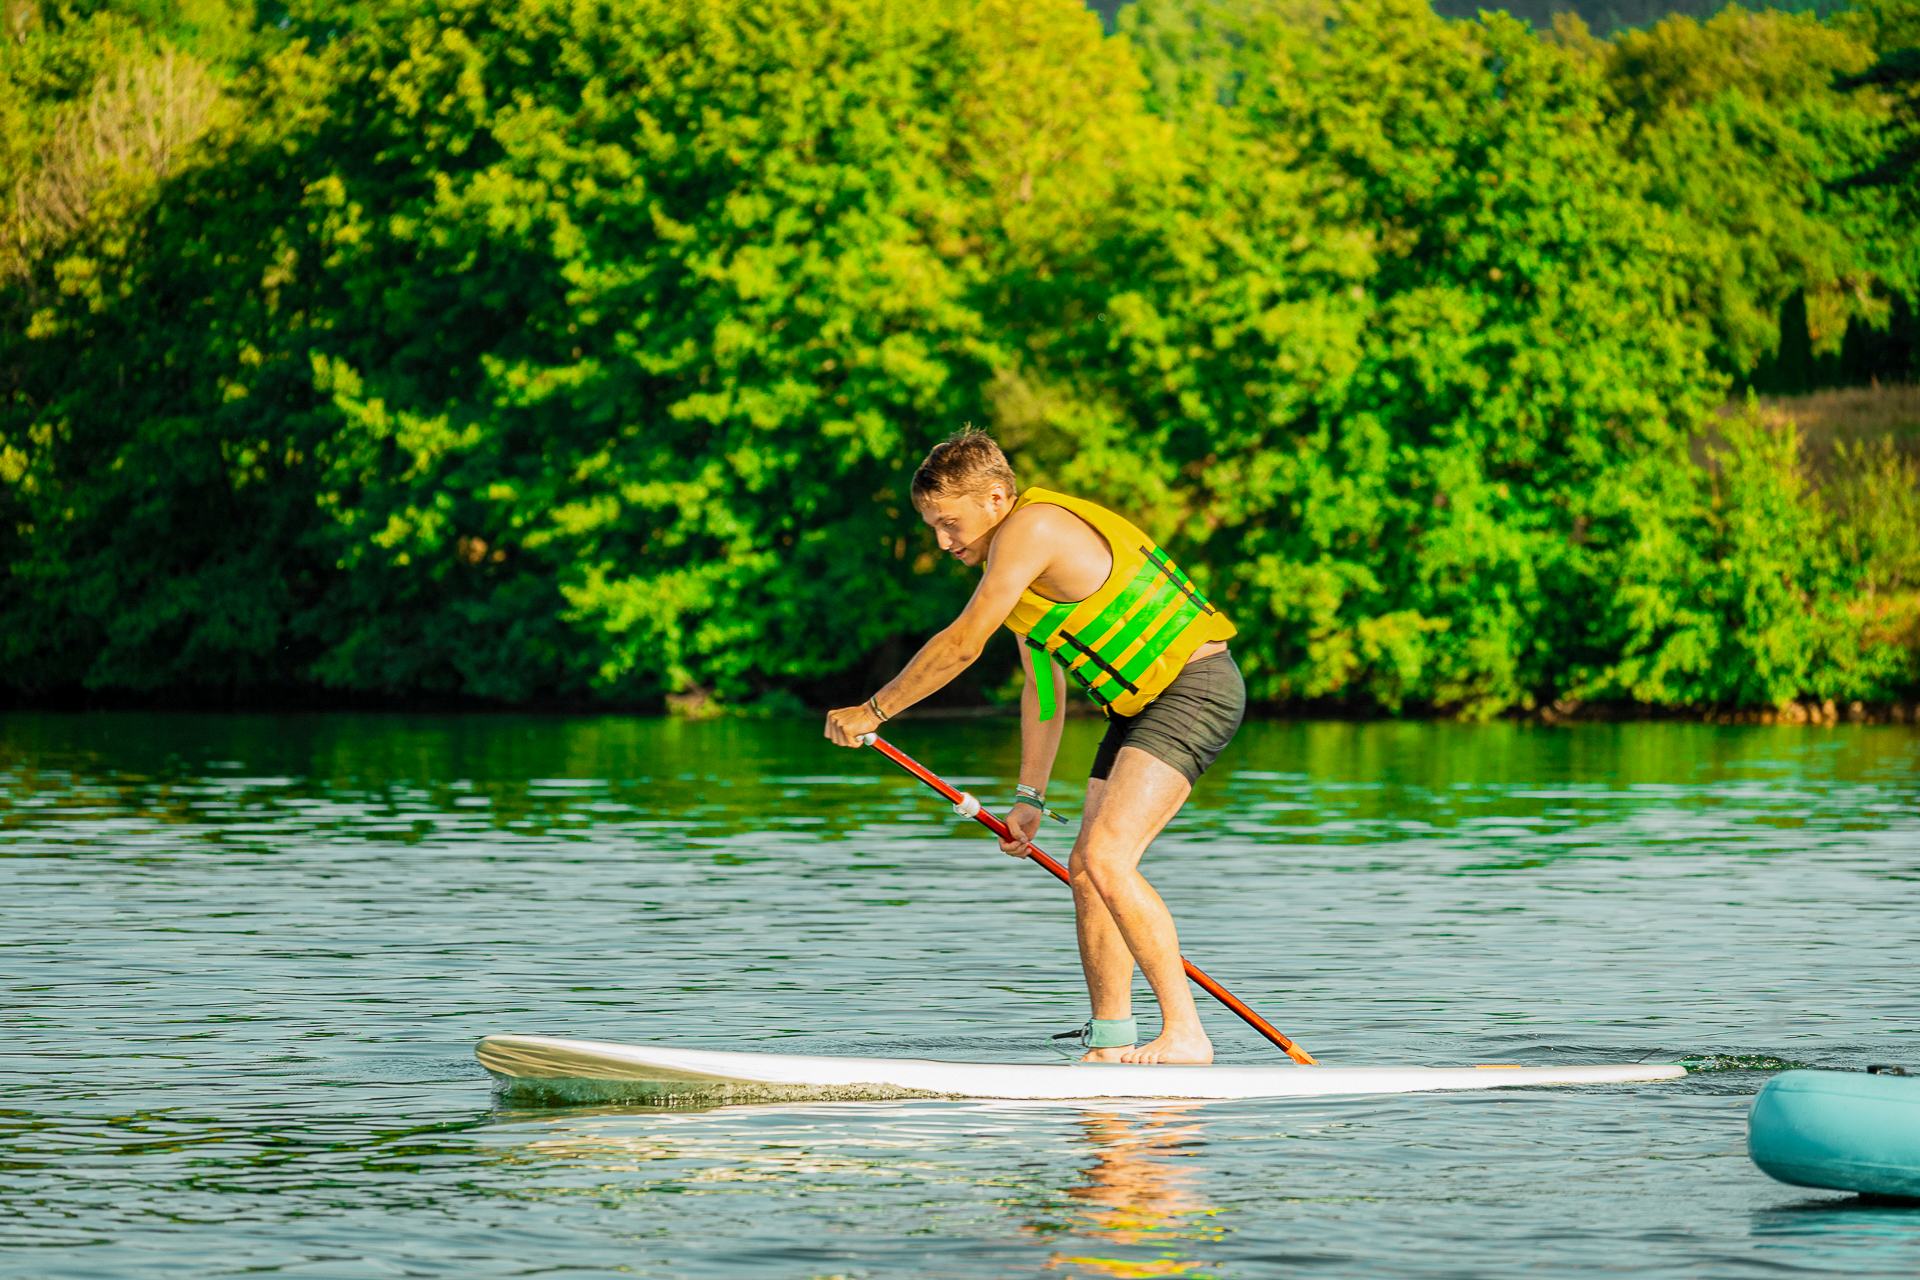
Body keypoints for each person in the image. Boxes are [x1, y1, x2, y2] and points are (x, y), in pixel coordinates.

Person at [824, 429, 1244, 1064]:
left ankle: (1186, 1033)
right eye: (932, 528)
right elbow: (1043, 690)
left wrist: (875, 709)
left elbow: (962, 645)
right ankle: (1112, 1041)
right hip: (1141, 708)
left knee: (1106, 858)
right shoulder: (1018, 574)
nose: (942, 542)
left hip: (1195, 688)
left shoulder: (1033, 528)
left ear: (996, 498)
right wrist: (1030, 798)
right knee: (1086, 870)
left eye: (949, 523)